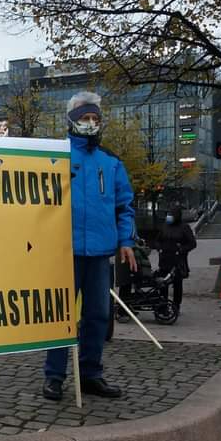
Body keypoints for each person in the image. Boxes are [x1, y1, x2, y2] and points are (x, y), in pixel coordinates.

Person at [42, 92, 137, 402]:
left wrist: (126, 240)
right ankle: (54, 377)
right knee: (61, 317)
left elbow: (125, 206)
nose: (91, 123)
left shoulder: (111, 162)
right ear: (72, 120)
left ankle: (91, 374)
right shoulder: (54, 157)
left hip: (99, 254)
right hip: (62, 253)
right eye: (85, 118)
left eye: (95, 118)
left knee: (97, 315)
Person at [155, 204, 196, 313]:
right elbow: (157, 240)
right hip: (164, 259)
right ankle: (163, 305)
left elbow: (192, 243)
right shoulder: (165, 226)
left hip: (178, 260)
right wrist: (159, 248)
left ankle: (176, 305)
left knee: (177, 284)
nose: (169, 216)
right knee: (163, 284)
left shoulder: (184, 227)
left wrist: (181, 249)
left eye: (171, 215)